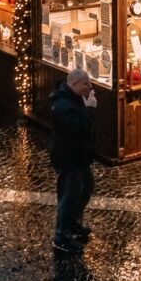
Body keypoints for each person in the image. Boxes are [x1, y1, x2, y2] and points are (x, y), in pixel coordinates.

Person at [50, 68, 97, 254]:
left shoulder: (74, 99)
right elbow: (79, 128)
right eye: (86, 84)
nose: (89, 87)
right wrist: (90, 109)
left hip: (79, 156)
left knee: (86, 187)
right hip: (69, 158)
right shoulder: (63, 106)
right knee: (69, 196)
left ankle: (72, 224)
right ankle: (61, 237)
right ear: (75, 85)